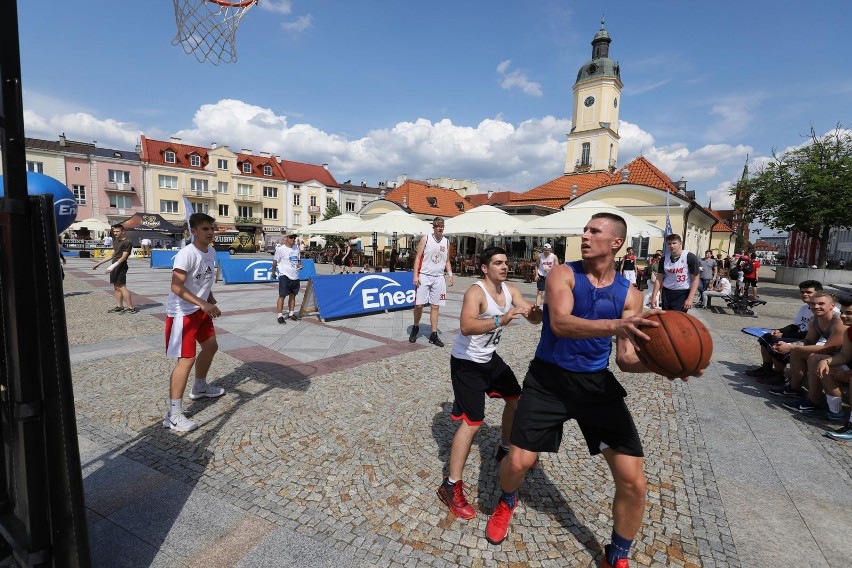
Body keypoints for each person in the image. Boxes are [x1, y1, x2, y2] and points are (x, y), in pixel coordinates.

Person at [485, 213, 701, 568]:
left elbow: (627, 359)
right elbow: (563, 324)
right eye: (584, 229)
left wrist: (666, 367)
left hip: (595, 385)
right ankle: (508, 499)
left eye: (594, 231)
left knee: (633, 480)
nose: (584, 235)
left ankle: (617, 553)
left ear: (616, 243)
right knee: (518, 462)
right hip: (548, 381)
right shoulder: (562, 273)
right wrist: (618, 324)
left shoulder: (630, 295)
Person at [437, 247, 542, 519]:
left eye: (506, 262)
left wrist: (539, 312)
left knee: (515, 399)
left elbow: (531, 316)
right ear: (485, 268)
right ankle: (450, 486)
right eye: (498, 263)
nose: (504, 266)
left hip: (489, 359)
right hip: (466, 363)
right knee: (473, 422)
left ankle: (505, 449)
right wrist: (499, 319)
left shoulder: (509, 289)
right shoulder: (476, 292)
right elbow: (466, 326)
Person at [163, 213, 224, 432]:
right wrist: (202, 303)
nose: (210, 232)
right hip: (182, 313)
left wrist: (209, 298)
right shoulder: (186, 254)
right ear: (194, 231)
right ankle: (174, 414)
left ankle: (199, 387)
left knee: (211, 346)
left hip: (200, 309)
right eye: (206, 229)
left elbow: (203, 279)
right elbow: (176, 287)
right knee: (185, 360)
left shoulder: (212, 251)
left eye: (212, 228)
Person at [745, 280, 824, 386]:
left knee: (778, 342)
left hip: (814, 342)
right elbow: (796, 326)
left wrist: (784, 335)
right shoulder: (805, 307)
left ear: (818, 293)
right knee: (766, 336)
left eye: (809, 292)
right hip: (802, 338)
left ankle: (780, 376)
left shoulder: (821, 310)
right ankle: (767, 368)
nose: (804, 294)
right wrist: (780, 330)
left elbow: (810, 335)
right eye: (802, 292)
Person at [770, 291, 846, 400]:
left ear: (832, 306)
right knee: (798, 352)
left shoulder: (838, 321)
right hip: (835, 353)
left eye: (821, 304)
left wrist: (792, 347)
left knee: (813, 358)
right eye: (812, 304)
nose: (816, 307)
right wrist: (788, 345)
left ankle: (813, 400)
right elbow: (808, 341)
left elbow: (828, 348)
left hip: (844, 356)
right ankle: (794, 389)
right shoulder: (814, 319)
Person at [410, 217, 454, 346]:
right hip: (424, 275)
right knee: (419, 305)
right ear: (433, 227)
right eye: (437, 226)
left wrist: (450, 274)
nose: (440, 228)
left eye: (442, 226)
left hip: (439, 277)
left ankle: (433, 334)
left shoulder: (446, 242)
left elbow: (447, 261)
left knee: (435, 306)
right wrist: (415, 276)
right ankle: (416, 326)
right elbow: (418, 258)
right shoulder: (426, 239)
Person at [92, 223, 137, 314]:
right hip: (114, 266)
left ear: (123, 232)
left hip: (121, 266)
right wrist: (99, 263)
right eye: (114, 231)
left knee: (122, 286)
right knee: (116, 287)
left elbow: (124, 257)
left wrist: (112, 267)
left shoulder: (127, 243)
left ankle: (130, 308)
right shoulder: (115, 241)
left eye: (117, 231)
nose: (115, 233)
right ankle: (119, 306)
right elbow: (112, 255)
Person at [650, 234, 699, 312]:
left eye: (674, 243)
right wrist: (654, 296)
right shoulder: (664, 259)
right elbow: (659, 279)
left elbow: (695, 280)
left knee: (678, 319)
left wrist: (690, 298)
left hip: (682, 292)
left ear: (680, 243)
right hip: (666, 292)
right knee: (666, 316)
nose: (671, 246)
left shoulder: (690, 257)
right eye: (669, 244)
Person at [272, 233, 302, 324]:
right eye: (291, 237)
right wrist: (273, 272)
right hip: (284, 275)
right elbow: (275, 261)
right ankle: (280, 315)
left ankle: (291, 313)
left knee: (293, 295)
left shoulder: (296, 248)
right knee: (282, 295)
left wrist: (300, 265)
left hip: (295, 275)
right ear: (286, 238)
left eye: (294, 238)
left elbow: (298, 261)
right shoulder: (280, 249)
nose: (293, 239)